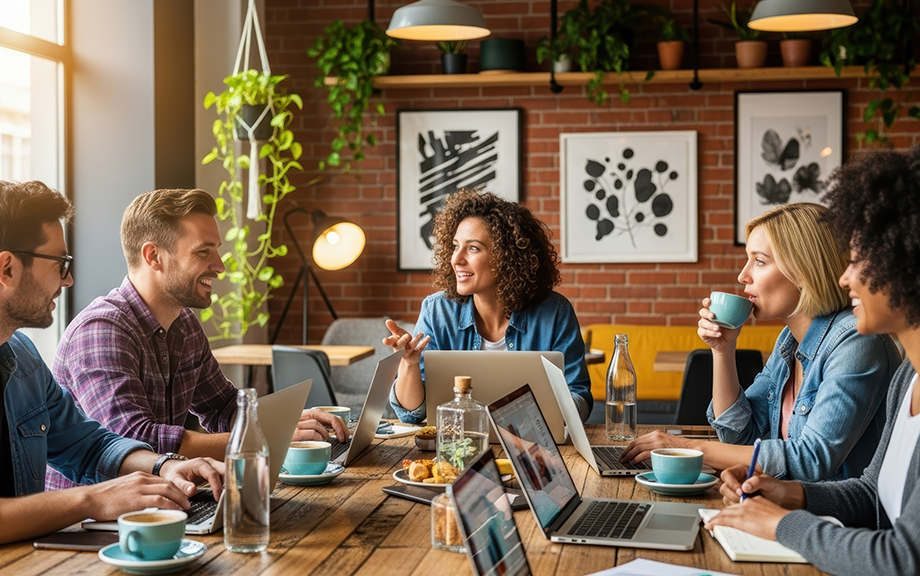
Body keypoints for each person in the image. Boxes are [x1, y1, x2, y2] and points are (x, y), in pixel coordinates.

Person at [706, 145, 920, 575]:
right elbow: (868, 494)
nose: (846, 277)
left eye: (859, 259)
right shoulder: (907, 382)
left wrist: (783, 522)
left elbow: (903, 558)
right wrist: (790, 495)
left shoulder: (856, 343)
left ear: (904, 262)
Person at [45, 188, 347, 491]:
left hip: (163, 502)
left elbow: (222, 406)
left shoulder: (185, 323)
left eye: (216, 250)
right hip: (91, 524)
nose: (220, 265)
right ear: (153, 256)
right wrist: (262, 437)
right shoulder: (101, 330)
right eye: (204, 252)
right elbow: (135, 442)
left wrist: (284, 423)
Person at [0, 180, 224, 544]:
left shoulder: (22, 357)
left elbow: (90, 445)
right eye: (60, 263)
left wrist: (166, 466)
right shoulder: (100, 327)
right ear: (7, 268)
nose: (69, 279)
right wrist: (91, 499)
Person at [621, 202, 901, 481]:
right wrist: (723, 349)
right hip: (784, 506)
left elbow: (810, 460)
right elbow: (739, 433)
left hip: (839, 521)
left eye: (759, 261)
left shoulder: (855, 342)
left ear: (804, 270)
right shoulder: (790, 342)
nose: (743, 275)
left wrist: (687, 447)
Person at [385, 189, 592, 423]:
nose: (456, 259)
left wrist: (530, 419)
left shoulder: (555, 312)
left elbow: (579, 397)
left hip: (532, 447)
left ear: (507, 257)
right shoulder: (437, 311)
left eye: (473, 248)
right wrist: (409, 364)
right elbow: (411, 413)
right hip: (457, 449)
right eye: (455, 246)